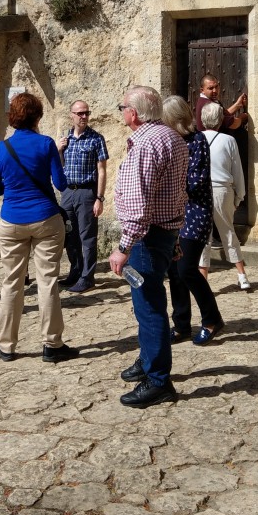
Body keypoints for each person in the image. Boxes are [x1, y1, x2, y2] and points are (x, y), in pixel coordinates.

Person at [109, 86, 189, 408]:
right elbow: (175, 194)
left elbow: (141, 206)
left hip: (145, 237)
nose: (121, 112)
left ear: (134, 113)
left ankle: (158, 380)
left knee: (149, 307)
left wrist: (123, 246)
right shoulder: (172, 137)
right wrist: (176, 237)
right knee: (148, 304)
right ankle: (147, 360)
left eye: (122, 106)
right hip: (163, 233)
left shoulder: (144, 144)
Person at [0, 92, 79, 363]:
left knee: (11, 284)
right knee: (47, 281)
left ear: (12, 117)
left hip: (12, 220)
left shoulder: (1, 148)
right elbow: (60, 184)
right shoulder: (46, 144)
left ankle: (6, 346)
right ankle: (52, 344)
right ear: (37, 117)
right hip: (45, 218)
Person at [162, 96, 225, 346]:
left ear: (176, 120)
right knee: (174, 272)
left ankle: (212, 319)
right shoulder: (171, 142)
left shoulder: (197, 140)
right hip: (174, 214)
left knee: (187, 269)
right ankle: (181, 325)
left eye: (166, 121)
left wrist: (167, 187)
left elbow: (196, 181)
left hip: (195, 213)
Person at [57, 99, 109, 293]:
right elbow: (60, 166)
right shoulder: (65, 139)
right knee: (70, 235)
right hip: (68, 192)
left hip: (87, 192)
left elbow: (102, 170)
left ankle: (87, 277)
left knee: (87, 237)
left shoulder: (96, 138)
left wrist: (99, 198)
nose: (84, 117)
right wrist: (58, 150)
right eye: (80, 113)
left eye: (86, 113)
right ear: (71, 115)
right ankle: (75, 271)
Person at [200, 101, 250, 290]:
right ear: (220, 120)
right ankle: (242, 275)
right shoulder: (228, 140)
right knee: (228, 231)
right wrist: (240, 195)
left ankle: (203, 279)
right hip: (222, 190)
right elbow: (237, 170)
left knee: (203, 235)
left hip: (202, 191)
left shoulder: (196, 139)